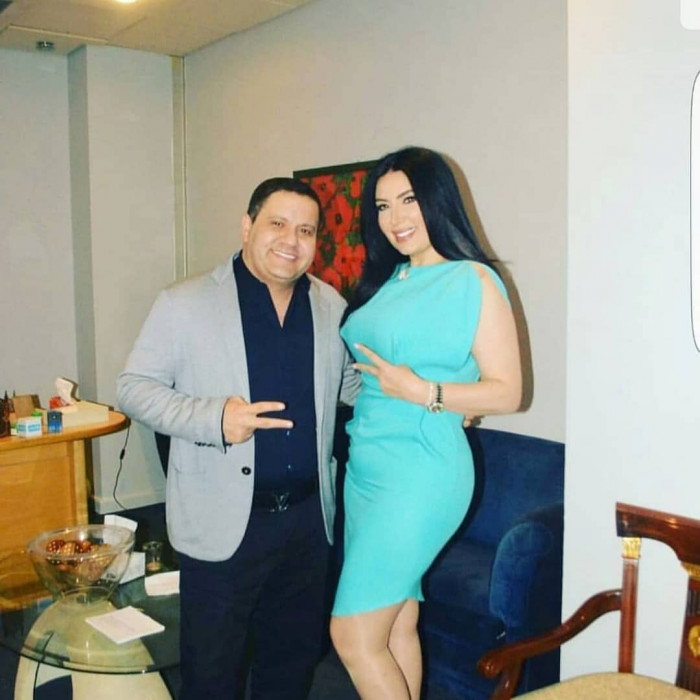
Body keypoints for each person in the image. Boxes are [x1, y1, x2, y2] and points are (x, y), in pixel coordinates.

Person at [116, 177, 360, 699]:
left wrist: (433, 397)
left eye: (306, 230)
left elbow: (350, 387)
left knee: (290, 668)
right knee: (212, 674)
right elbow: (133, 388)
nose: (291, 240)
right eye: (277, 224)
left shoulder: (331, 306)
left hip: (307, 524)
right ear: (247, 226)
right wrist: (213, 418)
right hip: (223, 520)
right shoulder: (184, 302)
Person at [329, 147, 522, 699]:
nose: (395, 218)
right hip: (367, 469)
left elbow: (508, 391)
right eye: (383, 206)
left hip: (422, 472)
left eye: (409, 200)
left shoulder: (472, 279)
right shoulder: (389, 279)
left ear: (436, 200)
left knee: (352, 635)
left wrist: (426, 392)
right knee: (396, 624)